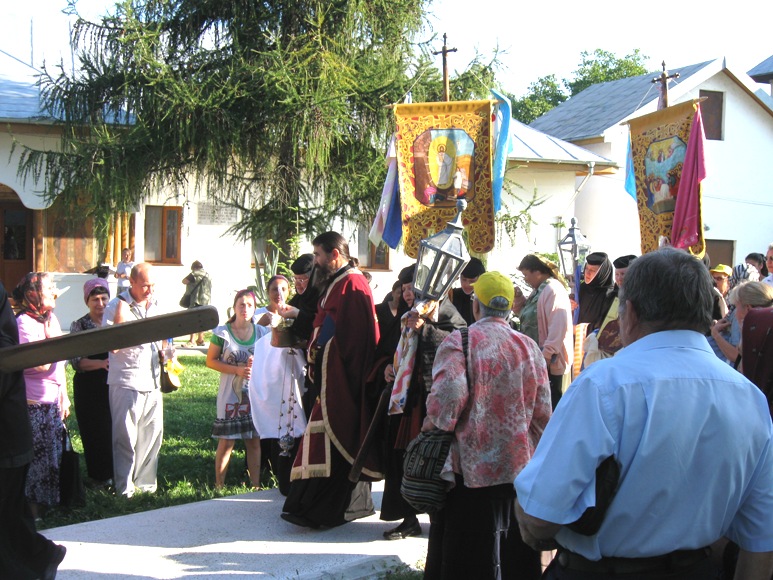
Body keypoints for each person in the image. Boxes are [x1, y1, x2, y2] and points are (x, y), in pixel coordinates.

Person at [515, 248, 773, 580]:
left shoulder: (605, 383)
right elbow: (760, 538)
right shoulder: (748, 397)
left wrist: (526, 511)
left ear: (630, 312)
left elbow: (540, 515)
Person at [422, 271, 551, 580]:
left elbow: (448, 398)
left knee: (467, 555)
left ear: (476, 305)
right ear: (508, 308)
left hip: (470, 472)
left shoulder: (460, 341)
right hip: (516, 470)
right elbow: (544, 412)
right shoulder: (529, 346)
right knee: (514, 556)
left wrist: (433, 421)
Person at [280, 231, 380, 529]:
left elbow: (353, 338)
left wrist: (320, 353)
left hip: (341, 378)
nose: (318, 262)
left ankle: (326, 510)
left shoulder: (351, 283)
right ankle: (314, 506)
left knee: (336, 438)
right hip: (329, 375)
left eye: (321, 256)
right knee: (324, 439)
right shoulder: (339, 282)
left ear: (335, 254)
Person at [380, 266, 466, 541]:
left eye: (412, 288)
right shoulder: (405, 317)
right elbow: (388, 350)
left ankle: (439, 518)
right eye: (404, 288)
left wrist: (426, 329)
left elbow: (459, 342)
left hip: (433, 399)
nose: (407, 293)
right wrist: (387, 368)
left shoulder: (448, 313)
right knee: (403, 457)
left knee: (433, 459)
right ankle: (408, 518)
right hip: (407, 399)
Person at [0, 280, 67, 579]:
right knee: (9, 515)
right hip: (12, 430)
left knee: (7, 513)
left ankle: (35, 563)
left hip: (6, 432)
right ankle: (42, 557)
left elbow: (6, 363)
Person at [103, 263, 164, 498]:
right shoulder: (116, 305)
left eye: (152, 285)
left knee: (151, 435)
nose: (150, 290)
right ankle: (124, 489)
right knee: (125, 437)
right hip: (126, 380)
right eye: (145, 286)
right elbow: (113, 346)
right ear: (132, 283)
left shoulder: (156, 304)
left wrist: (166, 352)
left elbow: (163, 338)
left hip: (153, 379)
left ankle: (146, 485)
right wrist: (121, 317)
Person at [14, 273, 69, 520]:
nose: (53, 291)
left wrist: (64, 395)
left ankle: (48, 506)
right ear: (32, 294)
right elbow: (40, 365)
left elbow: (61, 362)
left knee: (52, 456)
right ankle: (32, 512)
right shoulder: (23, 323)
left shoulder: (51, 319)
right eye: (48, 287)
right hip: (32, 403)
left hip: (52, 401)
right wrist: (50, 338)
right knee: (36, 459)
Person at [249, 276, 308, 495]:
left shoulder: (294, 311)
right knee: (275, 422)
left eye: (283, 288)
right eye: (275, 289)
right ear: (267, 291)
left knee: (294, 421)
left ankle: (294, 477)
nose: (279, 293)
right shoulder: (259, 316)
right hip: (268, 374)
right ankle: (276, 473)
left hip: (291, 373)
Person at [206, 289, 261, 489]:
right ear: (234, 307)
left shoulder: (261, 333)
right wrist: (236, 370)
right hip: (229, 394)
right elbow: (210, 361)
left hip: (253, 395)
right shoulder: (223, 333)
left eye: (249, 305)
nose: (245, 309)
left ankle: (256, 485)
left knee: (254, 440)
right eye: (241, 304)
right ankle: (219, 485)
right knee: (227, 441)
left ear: (255, 309)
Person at [69, 278, 113, 487]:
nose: (100, 304)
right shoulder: (79, 325)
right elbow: (76, 362)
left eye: (104, 298)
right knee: (94, 430)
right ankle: (98, 476)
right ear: (87, 301)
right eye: (95, 299)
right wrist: (102, 364)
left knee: (114, 429)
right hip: (89, 387)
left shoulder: (115, 322)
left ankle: (116, 473)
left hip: (113, 383)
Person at [514, 254, 573, 408]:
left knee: (551, 405)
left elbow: (558, 326)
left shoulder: (552, 290)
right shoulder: (539, 290)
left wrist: (546, 356)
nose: (525, 279)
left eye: (526, 275)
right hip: (539, 359)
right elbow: (528, 317)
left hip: (550, 363)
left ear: (537, 272)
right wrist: (519, 299)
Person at [711, 281, 773, 370]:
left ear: (748, 309)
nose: (734, 314)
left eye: (736, 307)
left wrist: (716, 335)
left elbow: (736, 356)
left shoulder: (752, 332)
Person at [576, 251, 615, 331]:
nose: (587, 273)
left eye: (593, 270)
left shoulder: (610, 294)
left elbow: (605, 324)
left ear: (602, 273)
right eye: (586, 268)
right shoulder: (581, 288)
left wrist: (579, 329)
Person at [181, 260, 212, 346]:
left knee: (192, 321)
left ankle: (192, 340)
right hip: (205, 302)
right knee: (201, 321)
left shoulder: (194, 274)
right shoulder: (207, 275)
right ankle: (200, 340)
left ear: (194, 268)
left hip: (196, 301)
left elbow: (184, 281)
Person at [448, 257, 485, 326]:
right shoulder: (452, 295)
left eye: (472, 281)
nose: (467, 285)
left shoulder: (485, 300)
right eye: (464, 279)